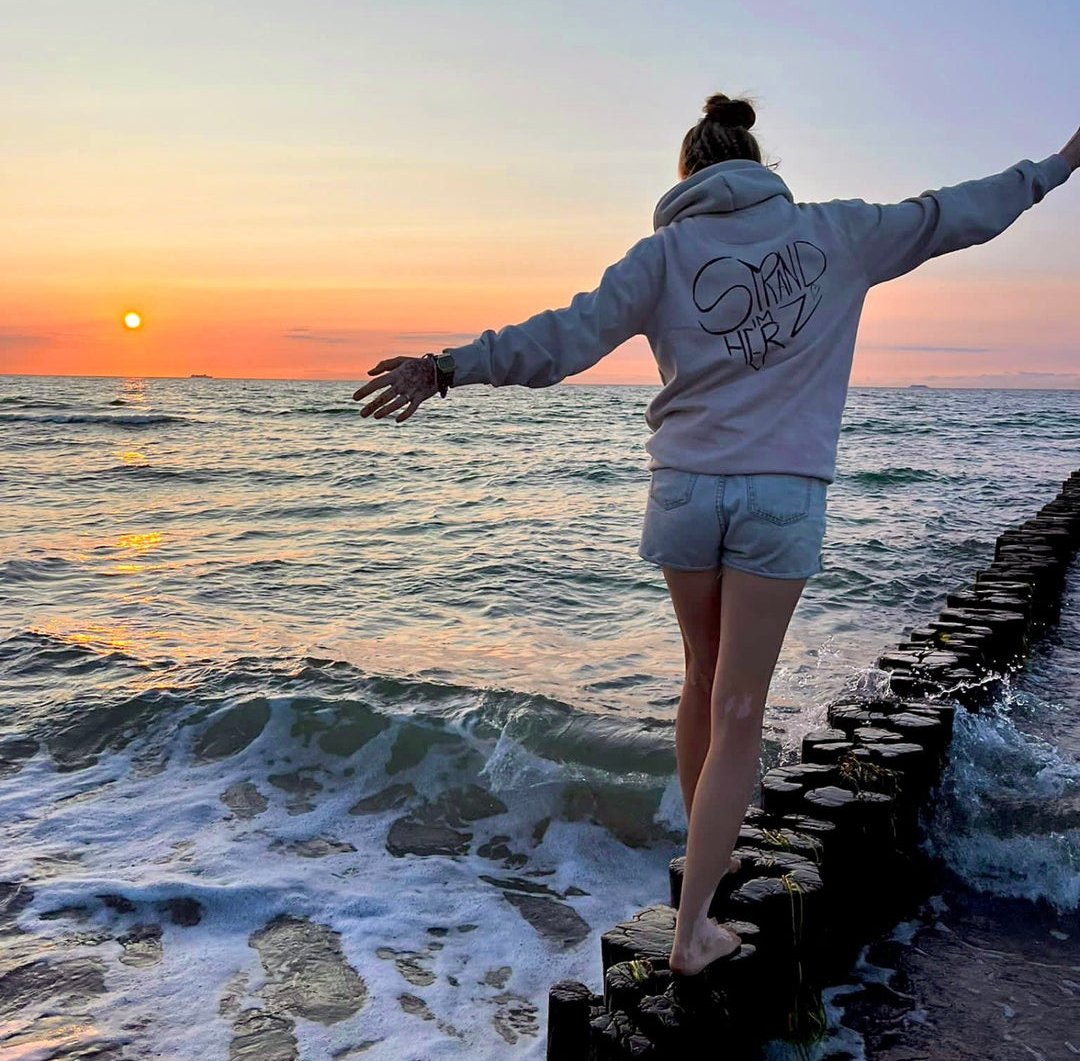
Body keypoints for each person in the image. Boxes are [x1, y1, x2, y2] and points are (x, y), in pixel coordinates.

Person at [354, 94, 1078, 976]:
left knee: (700, 678)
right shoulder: (836, 233)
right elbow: (955, 212)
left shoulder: (662, 254)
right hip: (779, 497)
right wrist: (1061, 163)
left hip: (685, 493)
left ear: (689, 173)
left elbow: (565, 338)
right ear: (757, 163)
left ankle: (708, 855)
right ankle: (693, 929)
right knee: (740, 704)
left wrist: (447, 368)